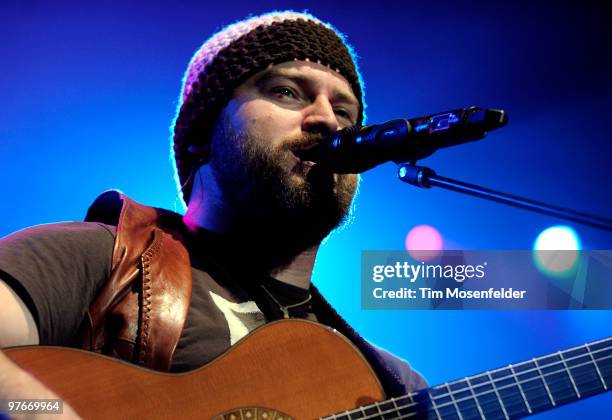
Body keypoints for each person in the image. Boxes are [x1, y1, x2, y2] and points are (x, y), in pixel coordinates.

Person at [0, 10, 426, 417]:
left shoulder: (390, 388)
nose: (327, 121)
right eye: (286, 92)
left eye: (345, 112)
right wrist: (40, 410)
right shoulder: (100, 256)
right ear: (201, 138)